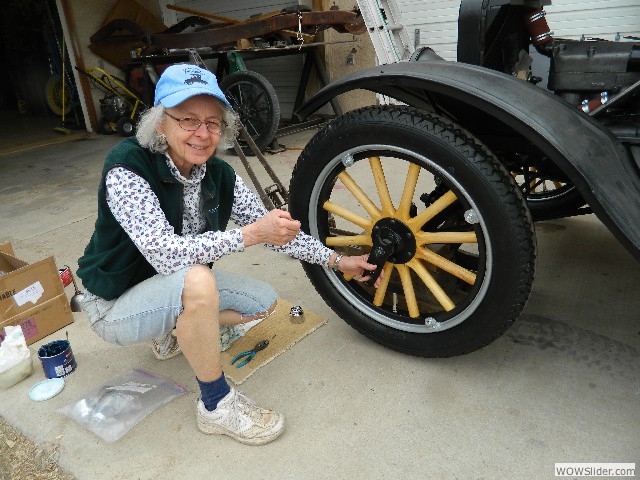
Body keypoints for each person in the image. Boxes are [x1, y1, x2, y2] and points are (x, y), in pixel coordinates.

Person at [77, 64, 380, 446]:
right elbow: (168, 256)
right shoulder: (127, 168)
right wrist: (249, 235)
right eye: (188, 119)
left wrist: (338, 262)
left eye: (213, 122)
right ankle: (215, 405)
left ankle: (172, 328)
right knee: (197, 279)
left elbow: (276, 234)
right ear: (159, 124)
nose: (203, 134)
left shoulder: (218, 174)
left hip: (164, 288)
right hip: (113, 303)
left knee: (263, 303)